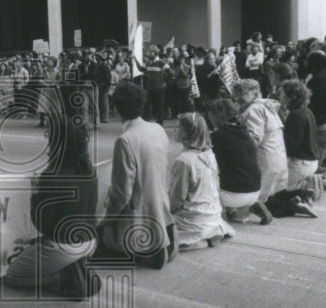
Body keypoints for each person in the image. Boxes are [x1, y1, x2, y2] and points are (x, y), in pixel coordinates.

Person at [4, 94, 99, 299]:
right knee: (38, 251)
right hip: (90, 241)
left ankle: (65, 280)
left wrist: (35, 193)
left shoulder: (52, 174)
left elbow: (42, 224)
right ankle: (73, 267)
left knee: (13, 276)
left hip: (64, 244)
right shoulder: (89, 169)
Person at [95, 82, 175, 268]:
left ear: (117, 108)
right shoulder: (158, 129)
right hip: (160, 208)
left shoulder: (125, 140)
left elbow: (122, 193)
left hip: (138, 218)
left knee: (91, 242)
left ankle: (139, 253)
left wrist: (106, 220)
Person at [168, 113, 235, 249]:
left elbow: (177, 198)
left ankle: (198, 240)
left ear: (187, 133)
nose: (174, 130)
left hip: (195, 217)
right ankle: (211, 232)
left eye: (178, 127)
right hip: (212, 214)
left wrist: (165, 209)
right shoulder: (210, 153)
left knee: (154, 222)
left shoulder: (184, 160)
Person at [205, 98, 270, 224]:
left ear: (216, 116)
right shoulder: (245, 132)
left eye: (210, 116)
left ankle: (225, 212)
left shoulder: (217, 137)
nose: (209, 119)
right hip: (255, 190)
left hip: (232, 195)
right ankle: (249, 205)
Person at [233, 79, 287, 214]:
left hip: (265, 157)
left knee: (258, 195)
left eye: (242, 94)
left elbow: (253, 138)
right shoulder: (266, 106)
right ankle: (293, 203)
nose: (237, 98)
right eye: (236, 94)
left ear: (254, 93)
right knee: (270, 195)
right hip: (277, 155)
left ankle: (253, 211)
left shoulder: (254, 110)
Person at [279, 79, 321, 191]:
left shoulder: (295, 115)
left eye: (283, 94)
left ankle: (307, 186)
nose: (281, 97)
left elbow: (290, 144)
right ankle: (307, 184)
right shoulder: (307, 111)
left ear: (290, 97)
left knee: (274, 187)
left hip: (301, 163)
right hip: (311, 161)